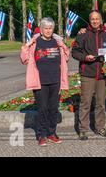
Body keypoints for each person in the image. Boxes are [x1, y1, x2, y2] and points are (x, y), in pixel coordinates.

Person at [20, 17, 69, 147]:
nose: (48, 30)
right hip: (40, 81)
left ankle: (51, 133)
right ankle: (41, 135)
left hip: (55, 80)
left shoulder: (57, 42)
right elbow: (24, 59)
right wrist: (27, 45)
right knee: (42, 109)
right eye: (45, 28)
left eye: (50, 28)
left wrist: (64, 45)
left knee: (53, 109)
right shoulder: (35, 43)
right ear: (41, 29)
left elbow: (66, 56)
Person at [71, 11, 106, 141]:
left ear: (101, 20)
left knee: (100, 102)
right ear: (90, 21)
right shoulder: (83, 35)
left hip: (102, 73)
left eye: (97, 19)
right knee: (86, 102)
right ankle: (83, 129)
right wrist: (85, 57)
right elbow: (75, 52)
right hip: (87, 73)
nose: (95, 21)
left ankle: (100, 127)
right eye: (92, 19)